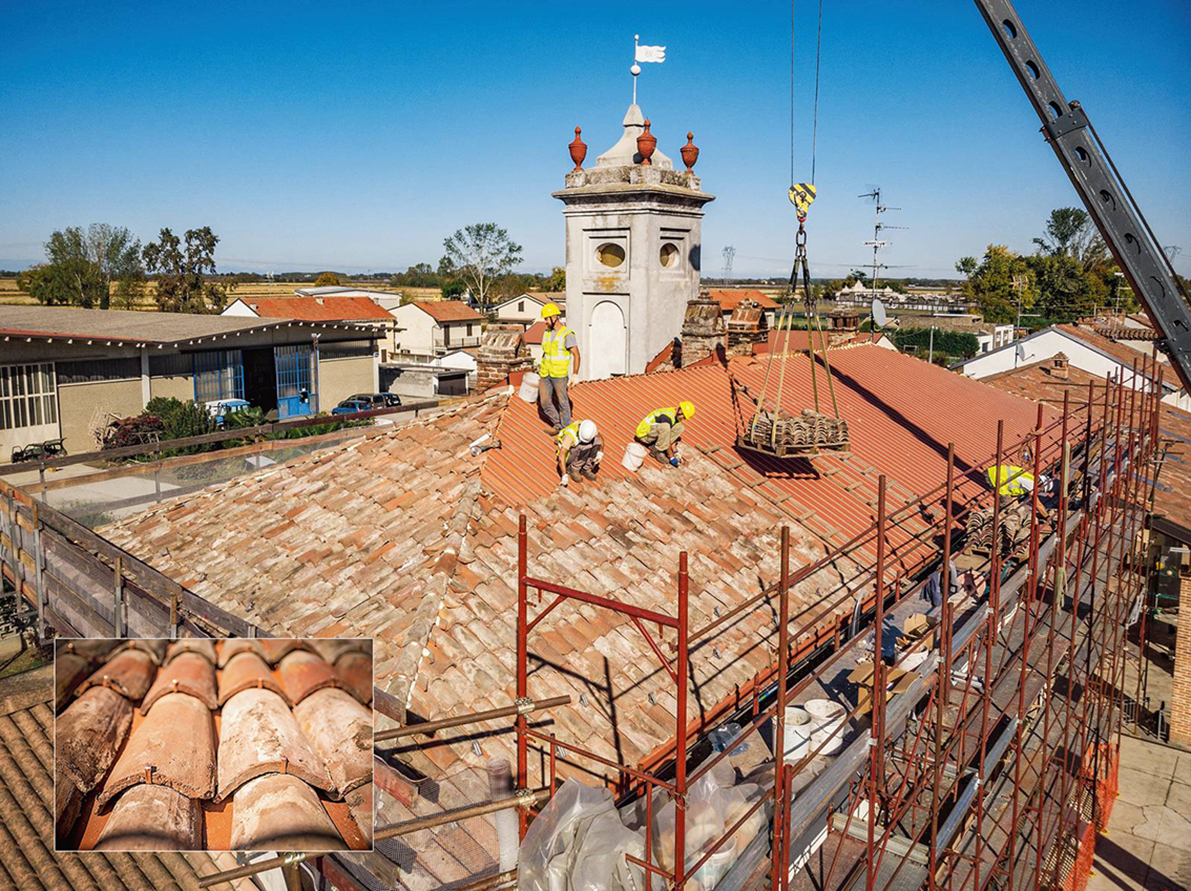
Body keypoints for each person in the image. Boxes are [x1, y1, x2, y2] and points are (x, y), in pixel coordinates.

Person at [538, 302, 580, 434]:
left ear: (554, 317)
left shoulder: (567, 334)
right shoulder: (546, 333)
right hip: (545, 374)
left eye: (546, 318)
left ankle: (566, 430)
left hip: (559, 375)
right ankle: (558, 425)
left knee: (563, 403)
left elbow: (576, 355)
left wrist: (575, 374)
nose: (545, 322)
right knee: (544, 402)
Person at [635, 402, 695, 467]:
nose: (683, 419)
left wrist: (675, 452)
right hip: (644, 435)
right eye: (684, 417)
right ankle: (657, 451)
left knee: (680, 428)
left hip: (653, 433)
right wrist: (671, 457)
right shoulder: (666, 418)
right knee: (665, 428)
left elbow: (670, 436)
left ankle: (659, 445)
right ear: (680, 411)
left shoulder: (676, 415)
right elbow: (667, 436)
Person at [556, 419, 602, 486]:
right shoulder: (570, 436)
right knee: (586, 446)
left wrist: (600, 453)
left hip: (575, 449)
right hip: (568, 455)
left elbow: (600, 438)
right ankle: (574, 469)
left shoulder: (588, 427)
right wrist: (564, 474)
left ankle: (586, 468)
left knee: (597, 441)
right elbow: (561, 455)